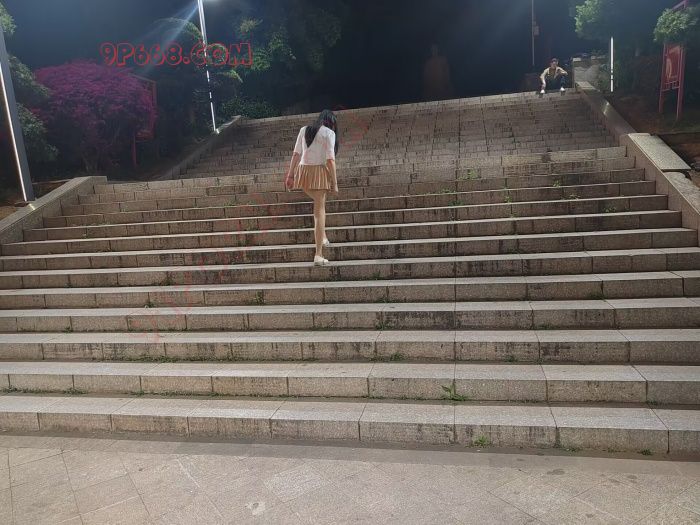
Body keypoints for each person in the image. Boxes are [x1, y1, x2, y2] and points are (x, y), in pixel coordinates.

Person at [285, 110, 339, 266]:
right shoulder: (329, 133)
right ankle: (318, 254)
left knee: (319, 206)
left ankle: (323, 237)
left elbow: (296, 154)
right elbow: (330, 160)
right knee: (319, 211)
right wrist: (335, 183)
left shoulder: (304, 129)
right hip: (318, 172)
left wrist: (290, 175)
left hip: (303, 172)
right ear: (332, 123)